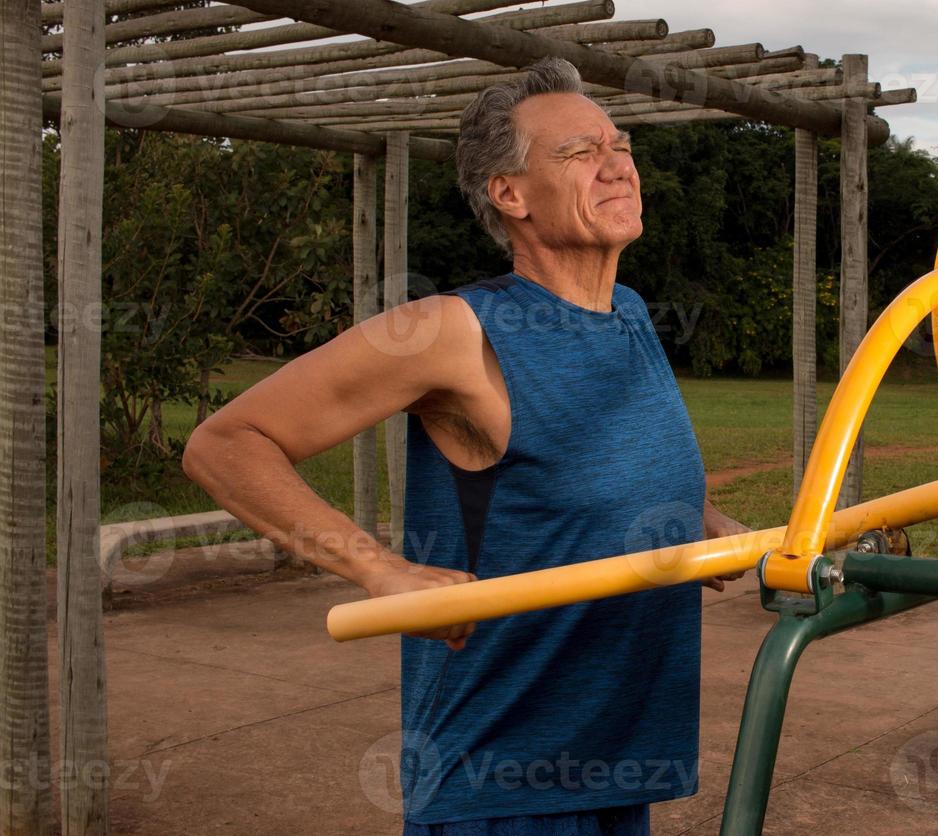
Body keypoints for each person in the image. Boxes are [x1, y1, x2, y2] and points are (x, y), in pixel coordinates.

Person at [183, 57, 749, 836]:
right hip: (504, 785)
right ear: (509, 194)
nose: (617, 165)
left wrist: (694, 518)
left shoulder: (629, 313)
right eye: (580, 154)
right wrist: (379, 568)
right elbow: (225, 443)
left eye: (619, 146)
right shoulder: (454, 332)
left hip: (625, 763)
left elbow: (594, 469)